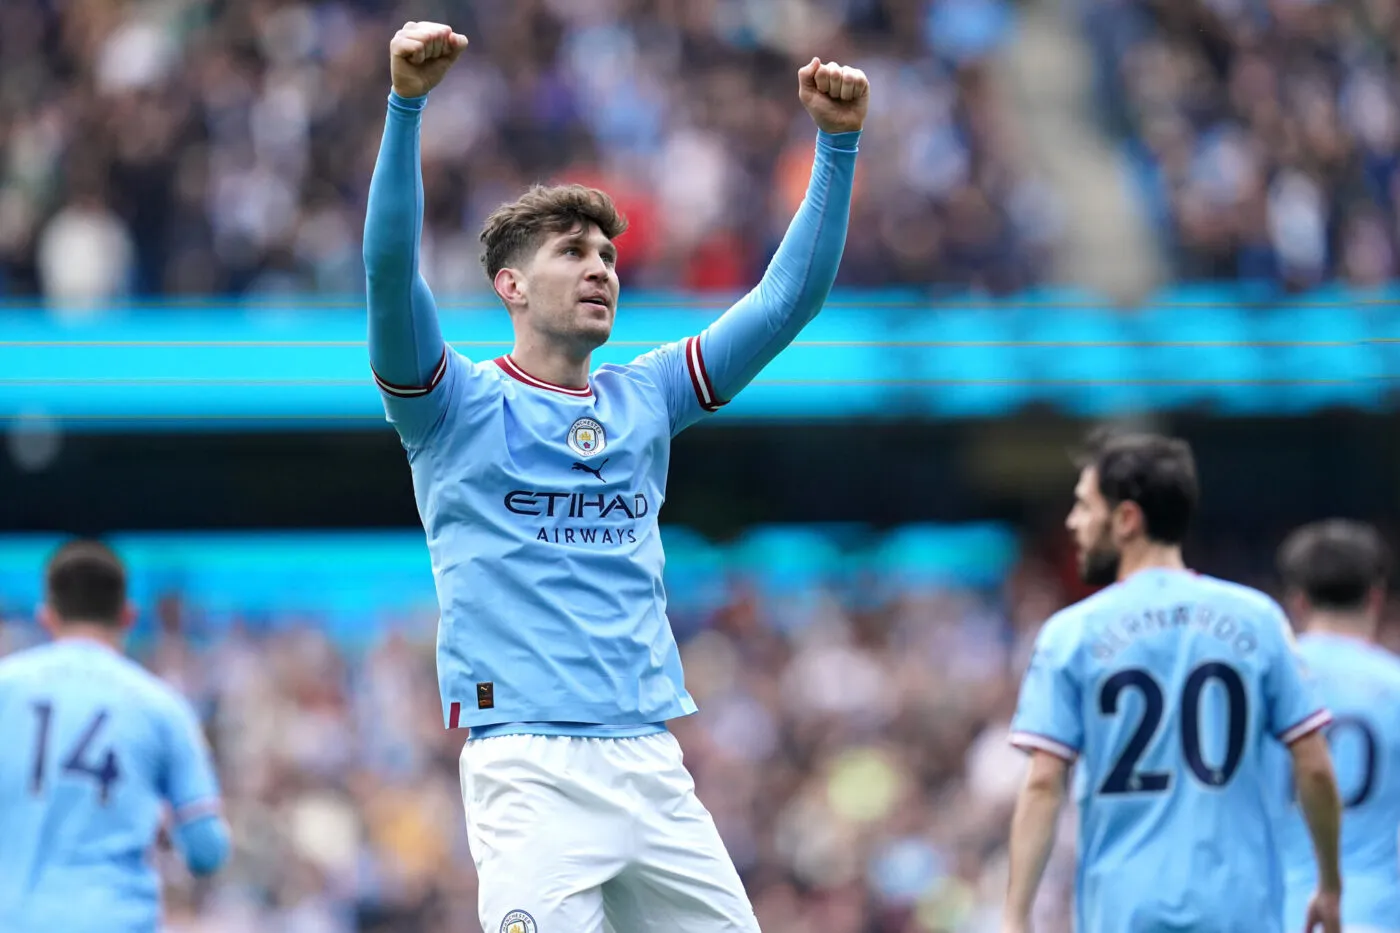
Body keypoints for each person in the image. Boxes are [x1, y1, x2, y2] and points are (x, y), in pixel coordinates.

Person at [362, 20, 868, 932]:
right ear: (510, 285)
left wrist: (836, 145)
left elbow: (788, 301)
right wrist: (405, 107)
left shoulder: (648, 396)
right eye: (572, 252)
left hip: (651, 764)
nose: (600, 269)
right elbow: (390, 270)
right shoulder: (450, 406)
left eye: (607, 255)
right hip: (528, 765)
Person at [1002, 431, 1343, 933]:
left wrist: (1015, 916)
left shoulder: (1072, 634)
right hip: (1238, 910)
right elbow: (1313, 765)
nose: (1073, 522)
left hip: (1124, 911)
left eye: (1084, 506)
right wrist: (1330, 884)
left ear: (1127, 519)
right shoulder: (1258, 619)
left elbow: (1043, 781)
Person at [0, 539, 229, 932]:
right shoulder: (161, 706)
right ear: (128, 615)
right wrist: (163, 831)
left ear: (47, 616)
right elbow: (207, 850)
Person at [1274, 519, 1400, 933]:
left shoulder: (1266, 683)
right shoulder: (1395, 684)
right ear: (1376, 597)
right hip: (1376, 914)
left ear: (1297, 601)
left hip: (1276, 913)